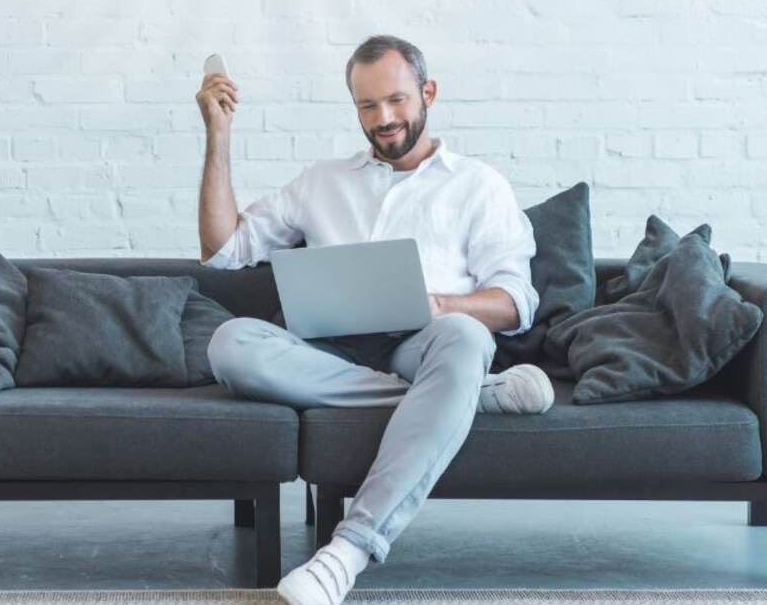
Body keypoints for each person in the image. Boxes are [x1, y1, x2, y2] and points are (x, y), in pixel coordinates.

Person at [195, 34, 553, 605]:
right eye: (367, 105)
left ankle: (347, 553)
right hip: (329, 351)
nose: (382, 118)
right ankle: (460, 397)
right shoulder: (322, 181)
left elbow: (515, 301)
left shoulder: (478, 185)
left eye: (396, 101)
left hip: (427, 342)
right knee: (230, 343)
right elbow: (223, 249)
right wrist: (218, 135)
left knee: (463, 337)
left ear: (427, 93)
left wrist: (443, 306)